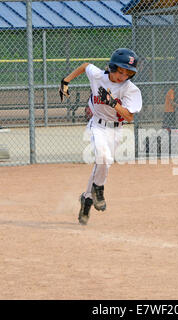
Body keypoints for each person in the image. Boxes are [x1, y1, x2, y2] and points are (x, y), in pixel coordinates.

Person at [59, 48, 142, 225]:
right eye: (120, 71)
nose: (122, 76)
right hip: (97, 125)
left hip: (116, 130)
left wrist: (112, 102)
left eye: (127, 73)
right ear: (112, 67)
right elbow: (85, 66)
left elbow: (129, 116)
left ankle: (87, 200)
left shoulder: (130, 89)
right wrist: (65, 81)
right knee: (103, 158)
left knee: (102, 165)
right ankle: (99, 190)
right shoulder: (98, 77)